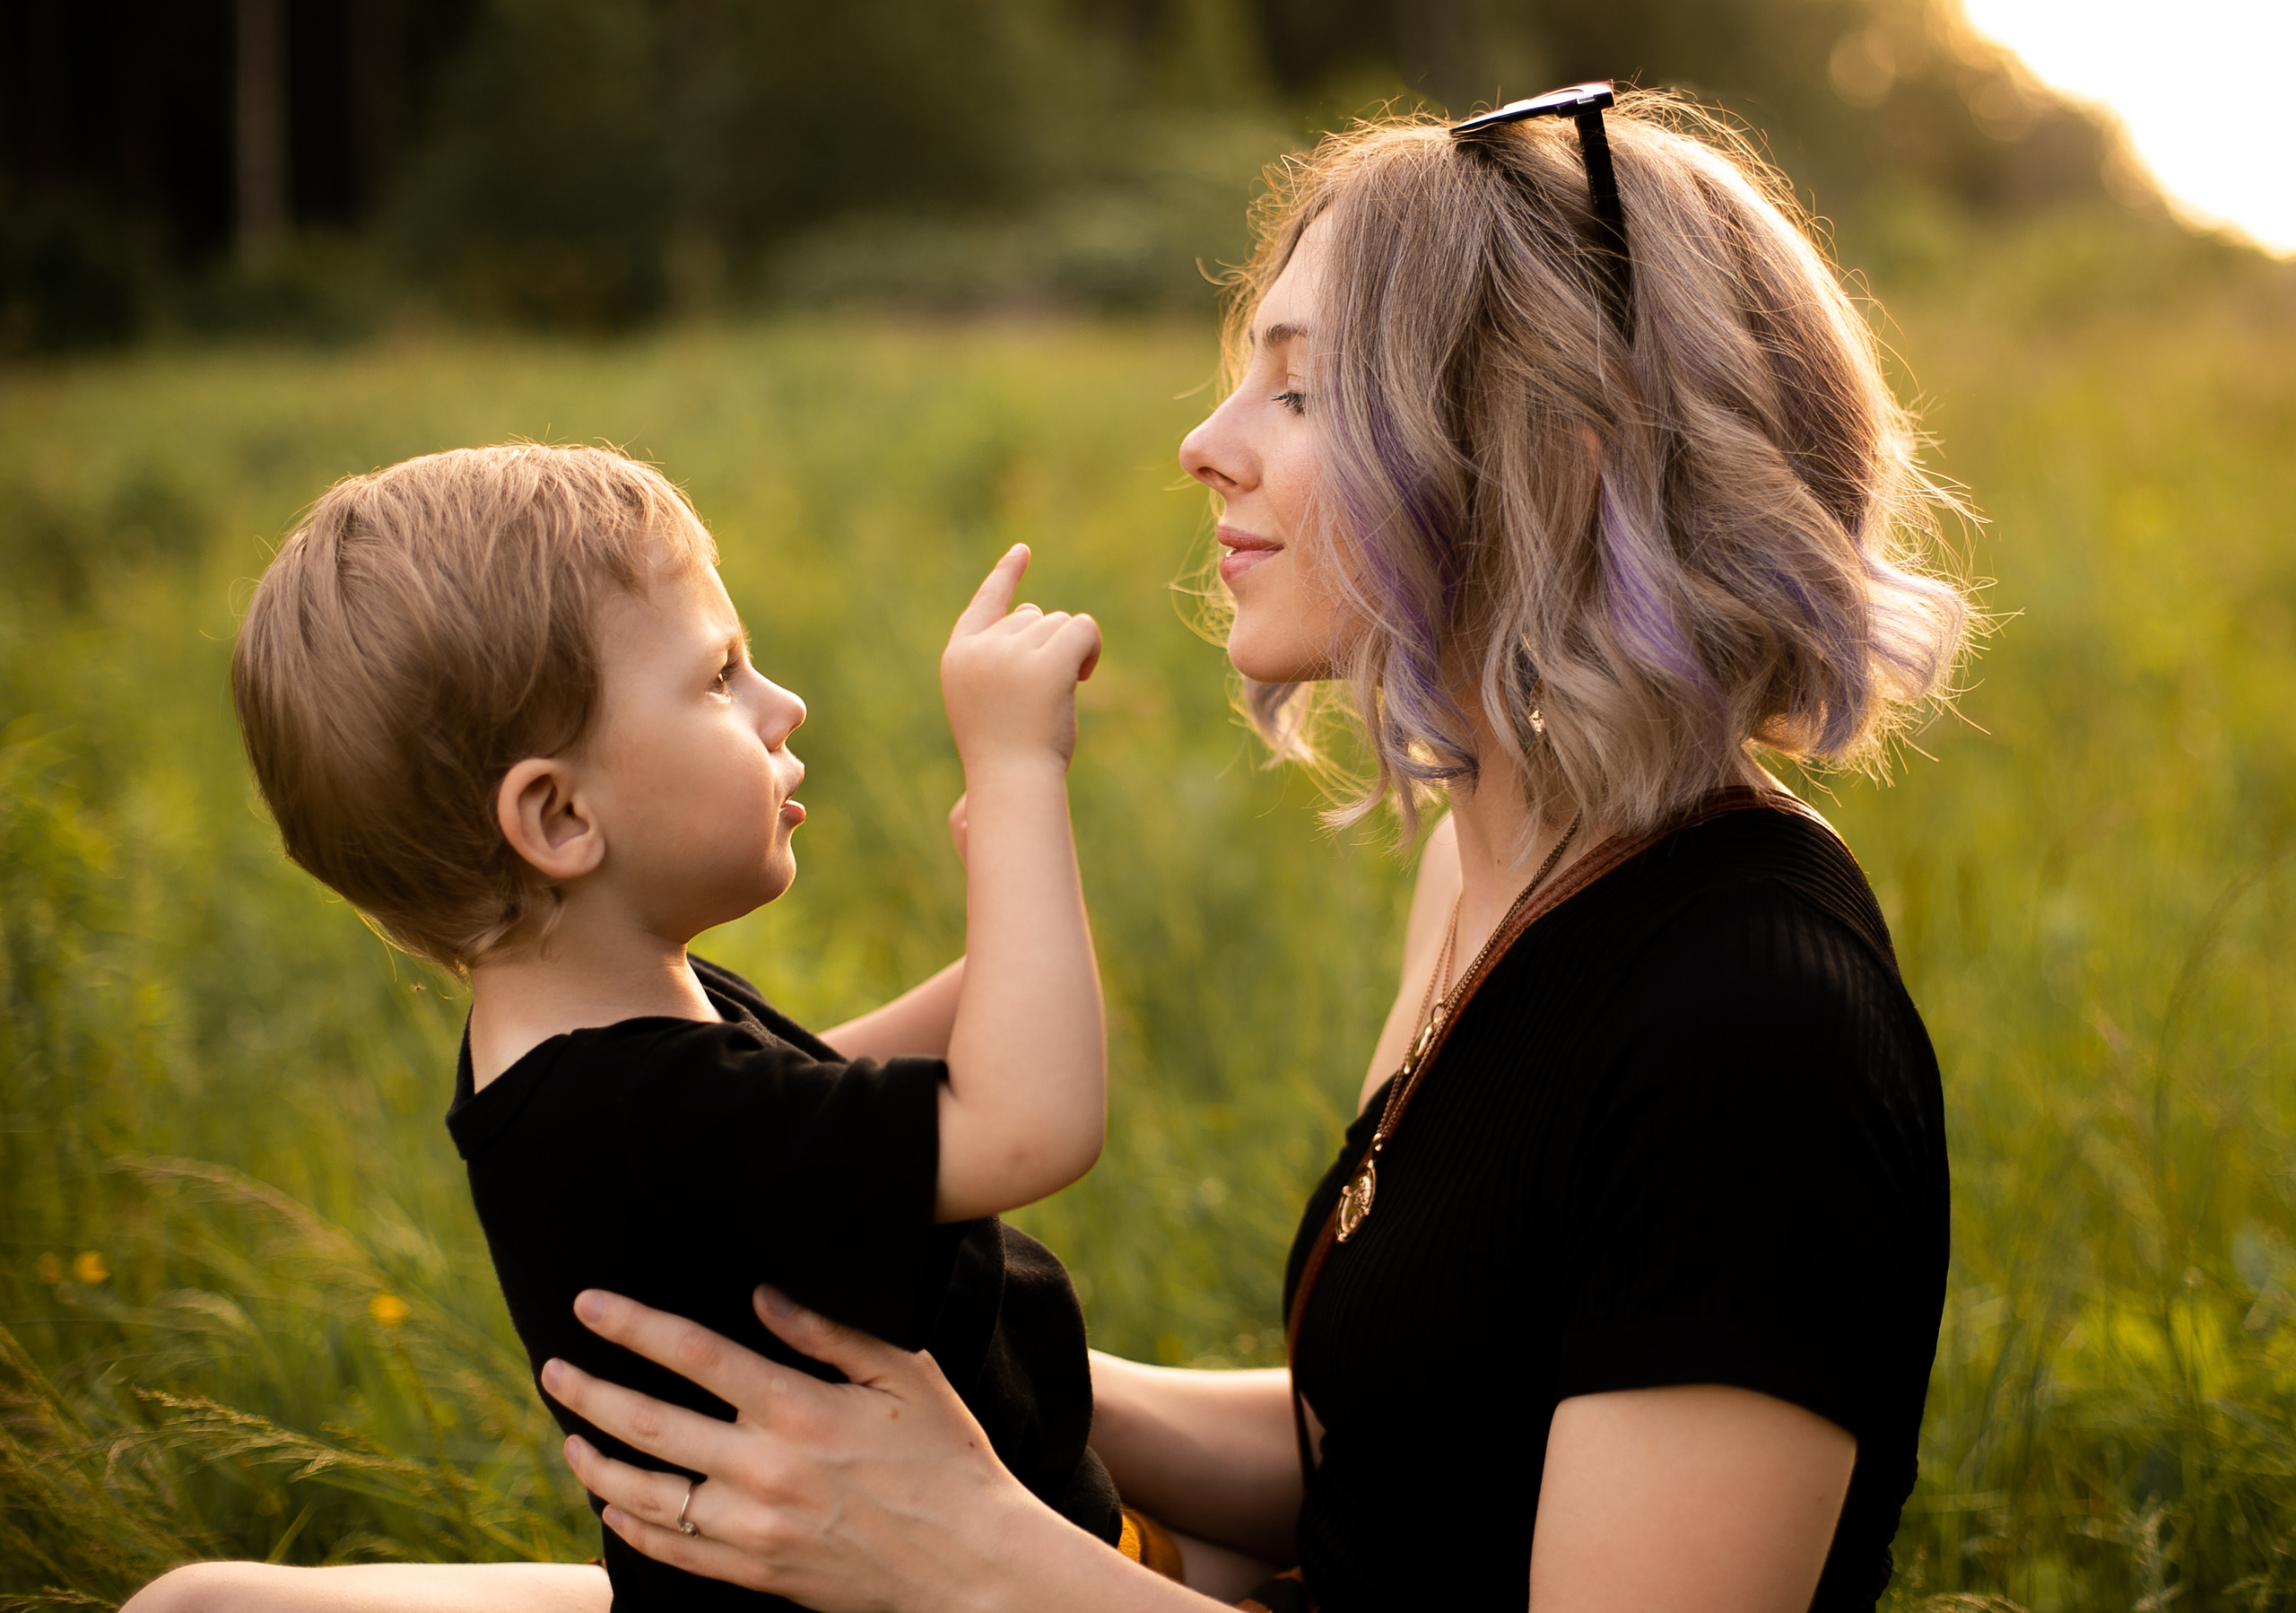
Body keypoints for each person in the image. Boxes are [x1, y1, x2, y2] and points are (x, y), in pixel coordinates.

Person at [534, 88, 1970, 1613]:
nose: (1206, 444)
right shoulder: (1495, 877)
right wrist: (959, 1390)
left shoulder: (1750, 1031)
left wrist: (964, 1550)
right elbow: (1401, 1444)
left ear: (1553, 462)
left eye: (1301, 393)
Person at [131, 444, 1173, 1612]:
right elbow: (1029, 1123)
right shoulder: (638, 1109)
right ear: (560, 814)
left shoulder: (589, 1049)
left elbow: (838, 1084)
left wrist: (1017, 908)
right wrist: (1020, 766)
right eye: (721, 675)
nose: (784, 703)